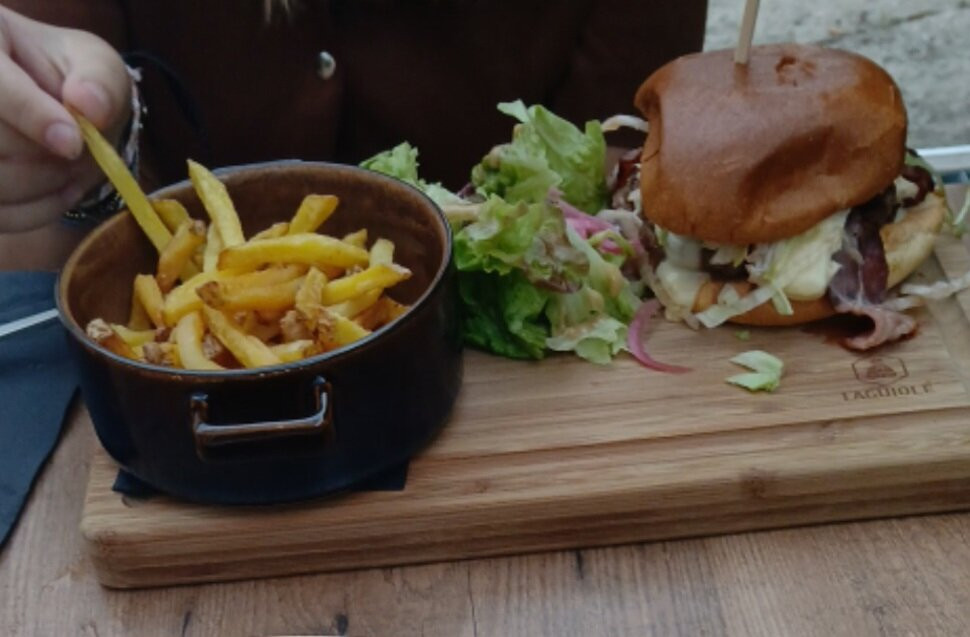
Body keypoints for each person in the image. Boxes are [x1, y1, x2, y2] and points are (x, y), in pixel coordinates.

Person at [0, 0, 707, 268]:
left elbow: (618, 193)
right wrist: (78, 158)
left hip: (528, 420)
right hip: (170, 419)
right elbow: (32, 251)